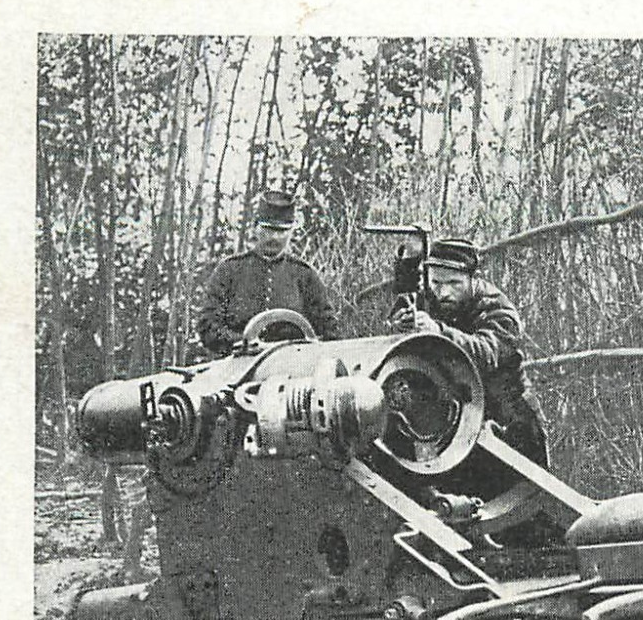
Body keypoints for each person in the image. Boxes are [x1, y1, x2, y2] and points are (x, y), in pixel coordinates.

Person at [372, 236, 552, 470]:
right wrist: (403, 325)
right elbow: (404, 307)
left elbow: (486, 354)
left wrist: (438, 332)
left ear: (473, 279)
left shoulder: (498, 308)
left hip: (508, 421)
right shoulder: (431, 298)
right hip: (457, 421)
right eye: (436, 283)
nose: (444, 292)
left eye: (454, 283)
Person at [196, 190, 338, 355]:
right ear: (255, 228)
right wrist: (241, 342)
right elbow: (207, 325)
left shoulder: (304, 274)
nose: (275, 237)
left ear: (291, 232)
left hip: (294, 364)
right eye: (268, 229)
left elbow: (329, 330)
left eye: (282, 231)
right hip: (237, 363)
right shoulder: (229, 270)